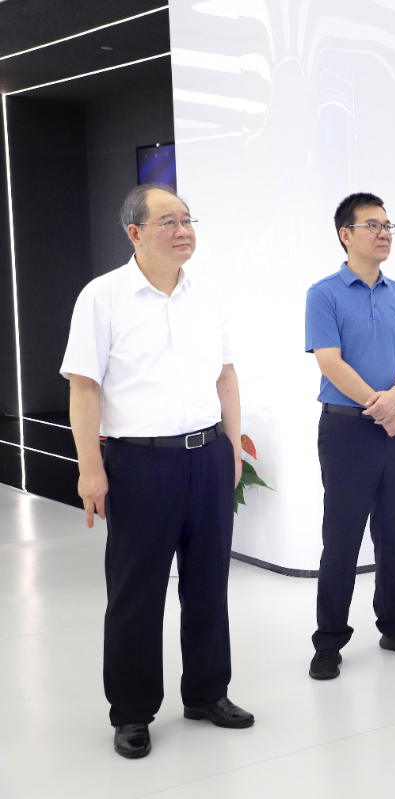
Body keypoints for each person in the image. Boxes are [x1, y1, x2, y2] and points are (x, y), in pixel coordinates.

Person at [63, 184, 251, 759]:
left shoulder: (206, 295)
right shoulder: (103, 297)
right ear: (135, 232)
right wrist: (90, 470)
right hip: (139, 462)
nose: (183, 230)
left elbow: (225, 376)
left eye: (187, 219)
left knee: (208, 583)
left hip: (208, 456)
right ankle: (132, 711)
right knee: (136, 592)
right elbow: (84, 388)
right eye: (169, 220)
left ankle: (207, 692)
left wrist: (232, 448)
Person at [305, 193, 395, 682]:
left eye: (387, 225)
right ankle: (329, 640)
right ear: (346, 234)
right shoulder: (324, 293)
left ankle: (394, 624)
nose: (383, 233)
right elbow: (329, 361)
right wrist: (380, 407)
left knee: (394, 532)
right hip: (347, 430)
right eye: (372, 225)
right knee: (342, 538)